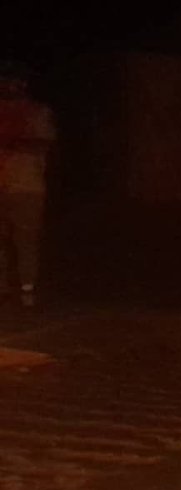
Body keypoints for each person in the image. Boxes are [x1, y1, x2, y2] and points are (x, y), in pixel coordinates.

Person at [0, 63, 53, 307]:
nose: (9, 86)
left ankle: (27, 289)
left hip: (27, 186)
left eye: (14, 81)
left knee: (26, 240)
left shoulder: (38, 112)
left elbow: (43, 143)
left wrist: (12, 143)